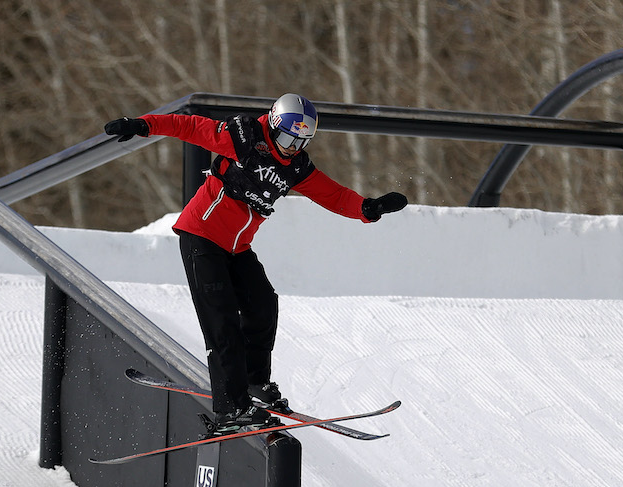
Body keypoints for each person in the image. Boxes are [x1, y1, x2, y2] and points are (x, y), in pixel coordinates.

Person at [104, 93, 407, 434]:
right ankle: (230, 409)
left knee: (262, 305)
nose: (293, 147)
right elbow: (187, 125)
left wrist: (367, 208)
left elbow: (332, 194)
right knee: (223, 325)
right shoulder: (242, 138)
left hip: (237, 248)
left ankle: (253, 384)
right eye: (289, 138)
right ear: (274, 125)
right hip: (202, 237)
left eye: (302, 141)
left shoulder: (296, 167)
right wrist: (142, 124)